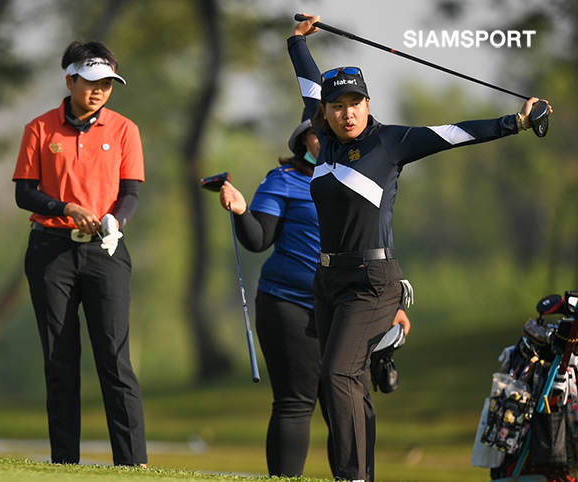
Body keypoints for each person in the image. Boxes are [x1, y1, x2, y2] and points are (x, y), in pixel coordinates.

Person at [287, 15, 552, 482]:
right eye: (338, 105)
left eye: (356, 102)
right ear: (325, 112)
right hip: (327, 280)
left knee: (337, 377)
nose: (347, 112)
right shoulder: (324, 139)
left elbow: (455, 132)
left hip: (373, 283)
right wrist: (296, 42)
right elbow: (309, 82)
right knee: (345, 388)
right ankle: (358, 475)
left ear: (368, 104)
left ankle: (349, 478)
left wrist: (518, 120)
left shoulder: (390, 142)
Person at [218, 110, 410, 477]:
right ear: (303, 142)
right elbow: (258, 239)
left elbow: (377, 242)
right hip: (288, 305)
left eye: (328, 130)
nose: (324, 137)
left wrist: (393, 303)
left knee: (350, 398)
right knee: (295, 402)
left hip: (352, 305)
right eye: (316, 132)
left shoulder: (362, 178)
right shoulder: (285, 180)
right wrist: (242, 211)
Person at [12, 40, 147, 467]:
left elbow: (130, 193)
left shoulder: (125, 129)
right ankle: (65, 462)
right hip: (51, 251)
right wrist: (64, 207)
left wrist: (115, 222)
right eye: (90, 82)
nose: (99, 91)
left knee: (114, 357)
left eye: (107, 83)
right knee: (60, 359)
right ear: (70, 79)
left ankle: (132, 462)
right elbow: (24, 193)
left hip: (106, 251)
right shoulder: (39, 128)